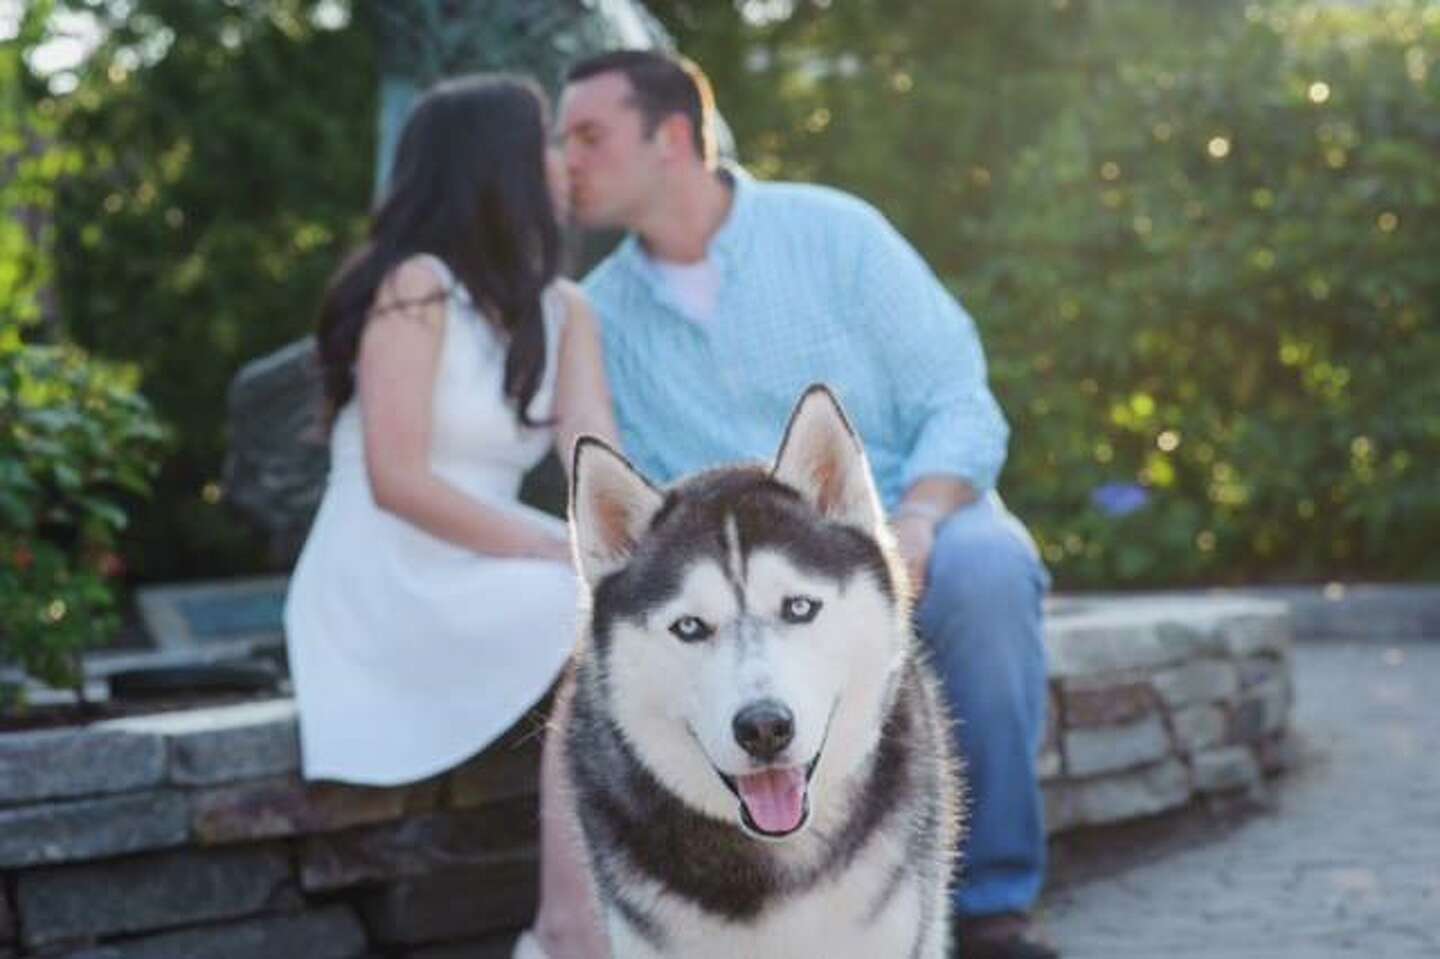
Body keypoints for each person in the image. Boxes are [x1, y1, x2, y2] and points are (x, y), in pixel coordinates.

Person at [558, 50, 1058, 959]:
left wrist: (918, 519)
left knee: (989, 570)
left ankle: (993, 907)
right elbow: (616, 505)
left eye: (589, 135)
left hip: (897, 514)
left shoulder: (837, 234)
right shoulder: (596, 316)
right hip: (720, 587)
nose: (567, 160)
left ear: (672, 136)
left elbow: (958, 396)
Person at [282, 74, 610, 959]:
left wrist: (651, 550)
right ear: (498, 162)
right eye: (549, 142)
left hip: (499, 561)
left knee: (649, 611)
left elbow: (599, 471)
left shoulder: (566, 310)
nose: (565, 161)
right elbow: (397, 479)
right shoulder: (417, 287)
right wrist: (554, 550)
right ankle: (571, 928)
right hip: (390, 567)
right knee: (588, 610)